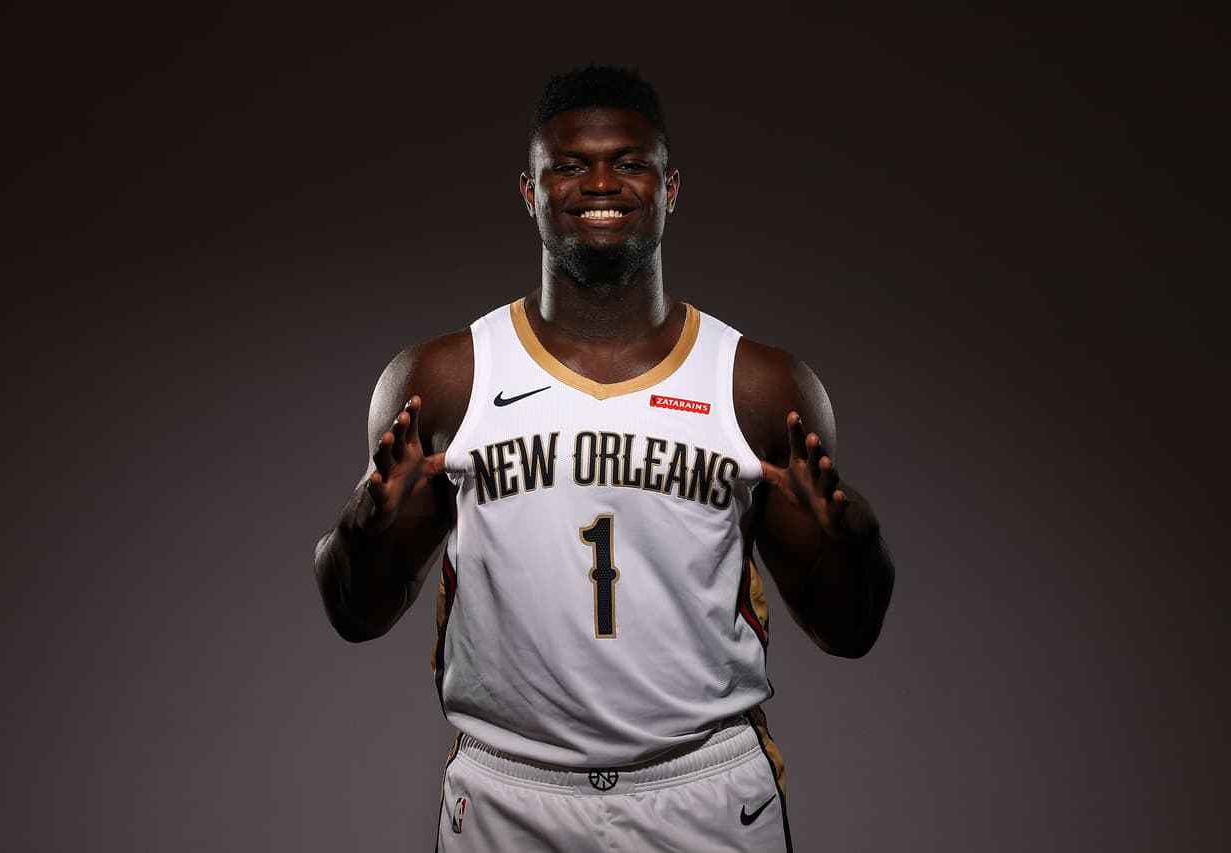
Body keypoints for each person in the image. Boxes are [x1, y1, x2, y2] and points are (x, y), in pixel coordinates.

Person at [313, 66, 894, 852]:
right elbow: (358, 613)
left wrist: (857, 544)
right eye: (569, 163)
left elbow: (847, 629)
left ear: (670, 187)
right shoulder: (445, 379)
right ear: (529, 189)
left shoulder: (759, 386)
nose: (600, 182)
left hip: (703, 790)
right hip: (510, 794)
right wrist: (358, 533)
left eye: (630, 162)